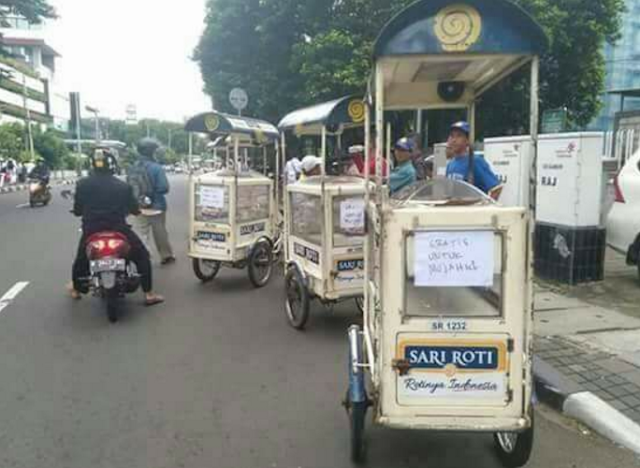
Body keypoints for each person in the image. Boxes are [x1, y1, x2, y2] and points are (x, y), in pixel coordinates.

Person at [69, 148, 164, 306]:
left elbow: (78, 210)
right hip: (118, 229)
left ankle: (76, 289)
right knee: (142, 257)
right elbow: (134, 209)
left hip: (92, 229)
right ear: (112, 165)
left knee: (81, 258)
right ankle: (149, 294)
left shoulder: (82, 184)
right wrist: (136, 210)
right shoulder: (122, 187)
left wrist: (81, 211)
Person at [129, 138, 176, 265]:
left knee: (141, 234)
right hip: (156, 207)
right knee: (160, 233)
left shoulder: (133, 167)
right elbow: (164, 188)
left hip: (138, 207)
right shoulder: (156, 168)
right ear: (151, 152)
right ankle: (166, 255)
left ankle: (143, 257)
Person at [445, 121, 502, 200]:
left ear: (467, 140)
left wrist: (485, 209)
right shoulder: (450, 164)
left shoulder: (475, 161)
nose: (454, 140)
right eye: (452, 136)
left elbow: (496, 188)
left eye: (459, 136)